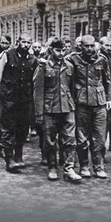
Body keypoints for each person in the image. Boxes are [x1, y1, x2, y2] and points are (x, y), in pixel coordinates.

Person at [33, 37, 82, 183]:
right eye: (57, 50)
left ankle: (69, 169)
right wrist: (39, 113)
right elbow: (38, 90)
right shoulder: (43, 67)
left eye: (63, 50)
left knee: (70, 140)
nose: (61, 53)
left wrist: (72, 105)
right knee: (50, 141)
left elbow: (71, 88)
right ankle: (52, 167)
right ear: (51, 50)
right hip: (50, 109)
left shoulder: (69, 66)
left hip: (67, 107)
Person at [67, 35, 111, 179]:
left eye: (92, 46)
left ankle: (99, 167)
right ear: (80, 46)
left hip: (99, 104)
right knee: (81, 138)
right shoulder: (73, 59)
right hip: (81, 103)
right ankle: (84, 166)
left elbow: (107, 81)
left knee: (99, 137)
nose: (90, 49)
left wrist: (108, 99)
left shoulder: (102, 60)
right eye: (86, 46)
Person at [0, 33, 38, 173]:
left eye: (28, 42)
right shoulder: (7, 54)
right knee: (7, 128)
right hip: (9, 99)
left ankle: (19, 156)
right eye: (23, 42)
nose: (26, 45)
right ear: (18, 41)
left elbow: (35, 80)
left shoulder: (33, 59)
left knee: (23, 128)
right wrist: (2, 93)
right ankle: (9, 159)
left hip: (25, 100)